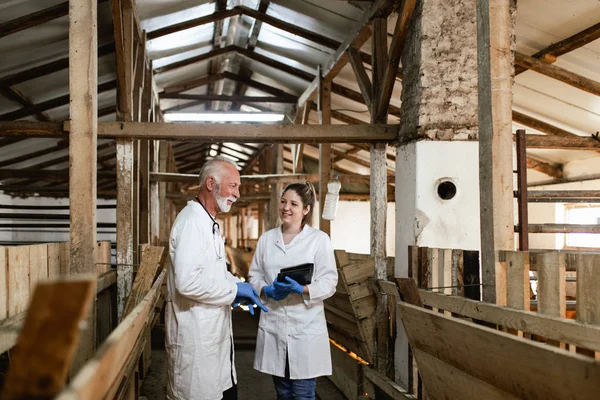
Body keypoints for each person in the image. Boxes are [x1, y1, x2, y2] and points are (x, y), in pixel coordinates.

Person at [166, 156, 268, 400]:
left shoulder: (209, 223)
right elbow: (188, 282)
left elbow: (215, 272)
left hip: (212, 338)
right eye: (233, 185)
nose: (238, 194)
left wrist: (239, 285)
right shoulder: (192, 222)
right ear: (211, 183)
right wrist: (235, 292)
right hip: (196, 340)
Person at [248, 181, 338, 400]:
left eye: (294, 204)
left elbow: (329, 281)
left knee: (304, 394)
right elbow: (254, 275)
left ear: (306, 210)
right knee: (283, 393)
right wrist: (266, 290)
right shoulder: (267, 239)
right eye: (283, 202)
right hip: (275, 323)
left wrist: (304, 288)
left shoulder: (319, 240)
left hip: (305, 327)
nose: (286, 208)